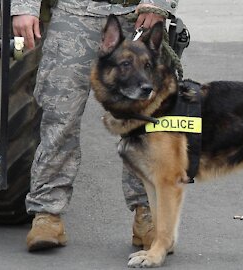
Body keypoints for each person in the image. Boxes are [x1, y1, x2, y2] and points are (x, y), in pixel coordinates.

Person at [10, 0, 179, 251]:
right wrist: (25, 6)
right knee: (59, 117)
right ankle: (47, 214)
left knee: (147, 125)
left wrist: (158, 4)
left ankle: (149, 215)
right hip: (74, 14)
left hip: (137, 15)